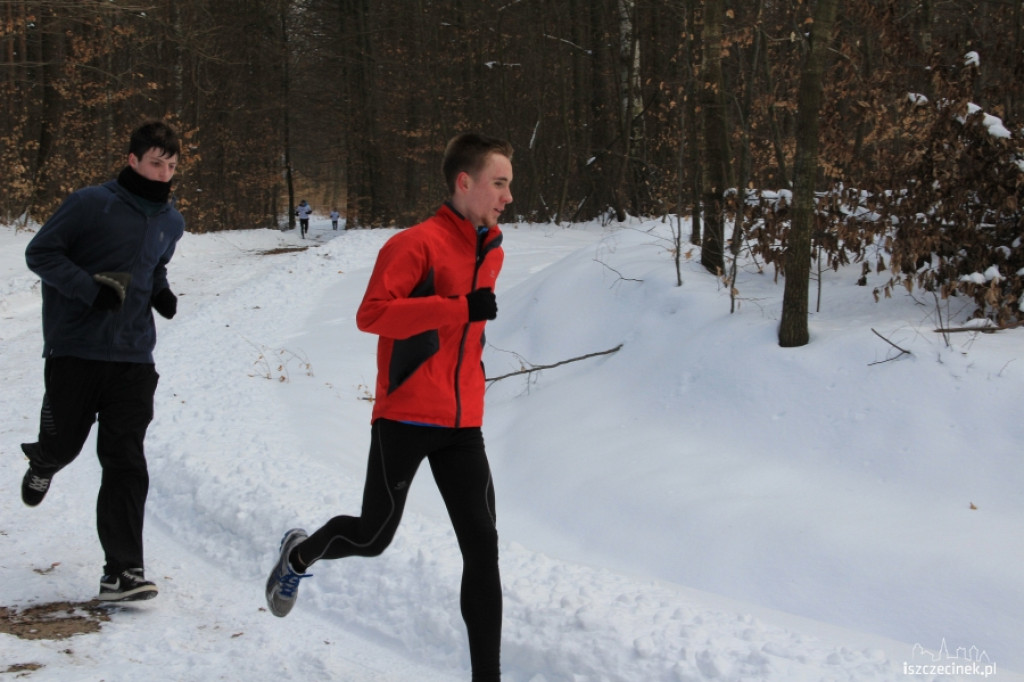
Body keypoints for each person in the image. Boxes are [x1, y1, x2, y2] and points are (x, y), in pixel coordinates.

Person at [266, 133, 513, 682]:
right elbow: (373, 315)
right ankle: (298, 557)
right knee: (372, 537)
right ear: (464, 183)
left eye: (509, 185)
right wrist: (458, 308)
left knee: (483, 548)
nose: (508, 196)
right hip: (405, 416)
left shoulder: (490, 247)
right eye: (499, 183)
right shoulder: (414, 245)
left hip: (462, 422)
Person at [20, 120, 185, 602]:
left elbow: (154, 264)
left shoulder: (170, 220)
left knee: (125, 459)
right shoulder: (91, 203)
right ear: (133, 159)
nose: (163, 173)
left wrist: (161, 292)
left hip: (134, 357)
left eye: (172, 165)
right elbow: (41, 253)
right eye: (156, 163)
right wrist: (87, 289)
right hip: (76, 349)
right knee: (66, 444)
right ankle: (46, 459)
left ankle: (123, 571)